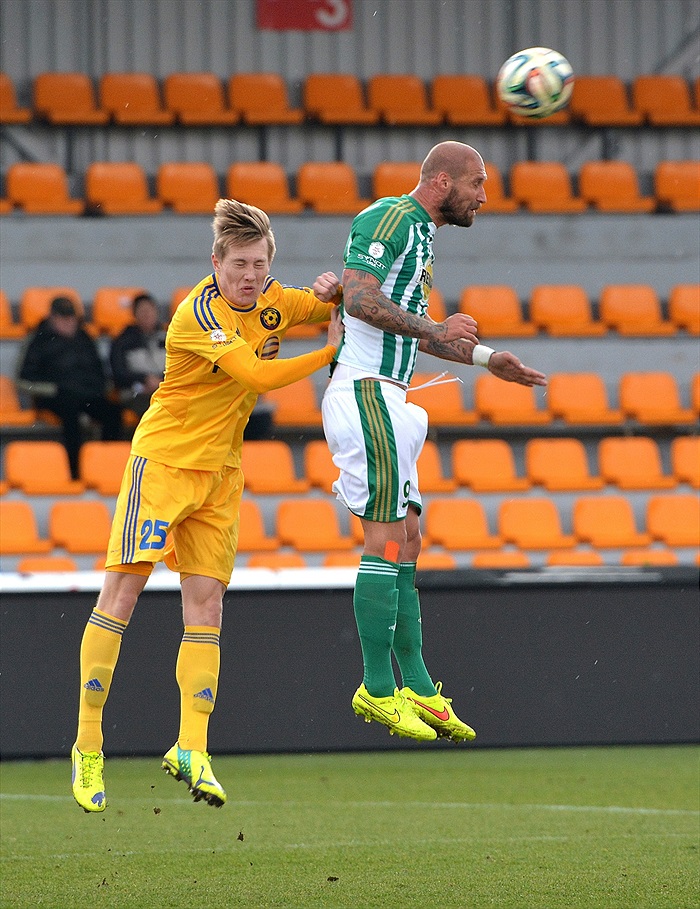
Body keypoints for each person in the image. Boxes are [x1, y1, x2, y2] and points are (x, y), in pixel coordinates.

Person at [71, 199, 343, 813]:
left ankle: (192, 747)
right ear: (215, 262)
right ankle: (88, 744)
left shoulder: (275, 300)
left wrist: (334, 289)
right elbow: (258, 379)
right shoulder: (198, 315)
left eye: (259, 264)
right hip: (164, 465)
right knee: (122, 595)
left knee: (208, 605)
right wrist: (328, 352)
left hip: (220, 474)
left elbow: (328, 299)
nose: (249, 275)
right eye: (238, 264)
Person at [321, 141, 547, 743]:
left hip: (392, 397)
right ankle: (376, 688)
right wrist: (437, 325)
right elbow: (358, 299)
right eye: (477, 182)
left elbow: (412, 332)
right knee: (384, 539)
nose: (484, 195)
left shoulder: (423, 236)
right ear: (443, 180)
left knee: (410, 538)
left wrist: (486, 358)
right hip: (365, 390)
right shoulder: (388, 217)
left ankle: (418, 685)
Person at [16, 296, 123, 478]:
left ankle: (106, 465)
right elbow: (24, 379)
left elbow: (99, 371)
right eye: (62, 317)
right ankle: (75, 470)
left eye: (71, 317)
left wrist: (99, 388)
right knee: (70, 413)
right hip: (55, 396)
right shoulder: (38, 340)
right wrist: (53, 389)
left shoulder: (85, 338)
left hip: (88, 394)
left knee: (113, 412)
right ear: (52, 317)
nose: (67, 322)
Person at [109, 292, 166, 418]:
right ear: (134, 314)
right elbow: (118, 373)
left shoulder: (168, 338)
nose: (147, 314)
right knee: (154, 409)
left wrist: (160, 381)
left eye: (149, 310)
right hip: (134, 392)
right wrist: (144, 379)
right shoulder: (123, 341)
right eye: (142, 311)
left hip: (165, 389)